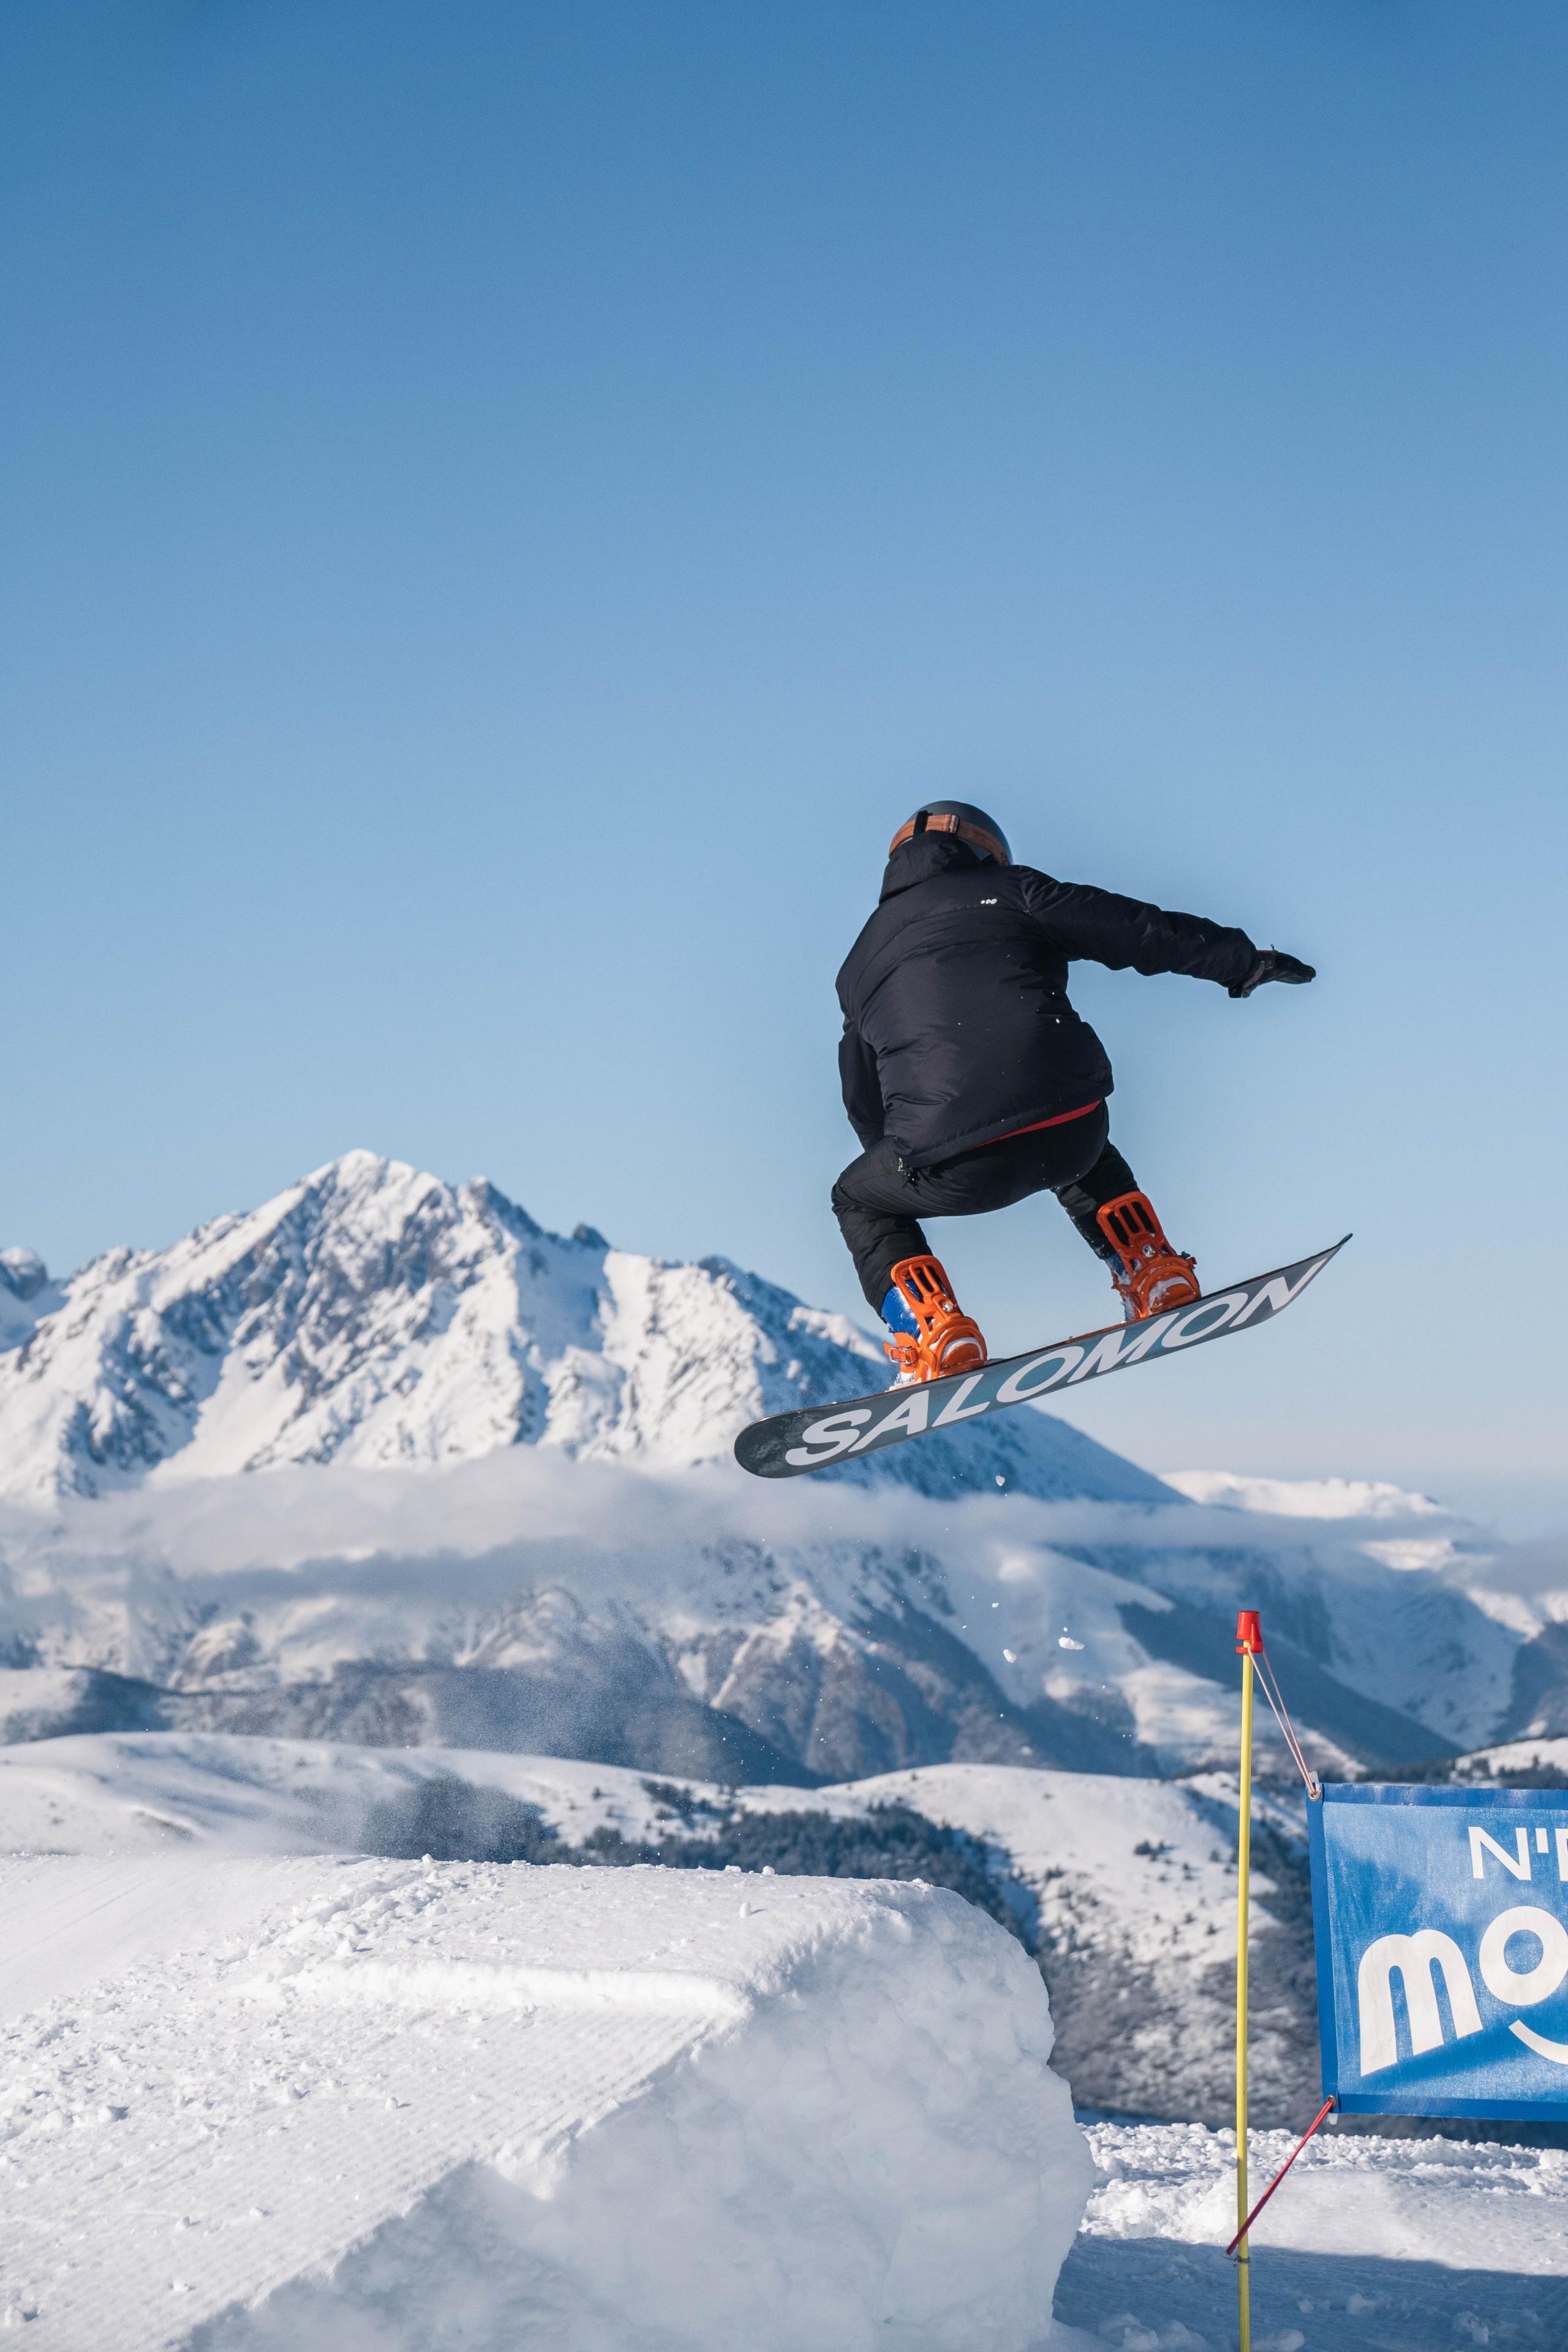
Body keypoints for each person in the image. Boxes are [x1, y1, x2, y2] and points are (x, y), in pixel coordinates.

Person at [832, 801, 1314, 1386]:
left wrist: (906, 1166)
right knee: (1056, 1111)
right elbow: (1140, 930)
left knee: (858, 1197)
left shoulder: (858, 965)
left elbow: (862, 1097)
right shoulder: (1014, 891)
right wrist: (1243, 964)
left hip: (951, 1162)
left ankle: (933, 1331)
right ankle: (1150, 1268)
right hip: (1075, 1133)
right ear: (991, 852)